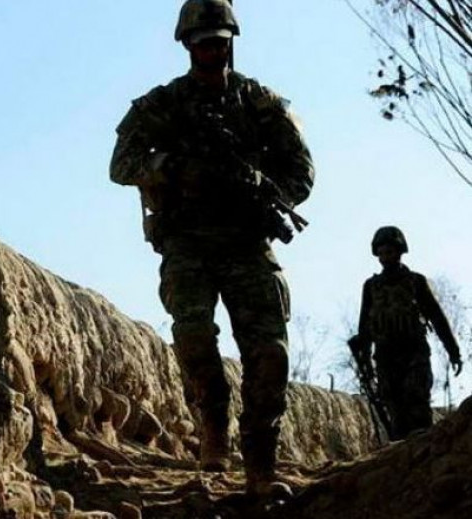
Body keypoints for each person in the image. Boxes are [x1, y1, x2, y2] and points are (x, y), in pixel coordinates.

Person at [109, 0, 314, 498]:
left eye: (219, 42)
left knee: (270, 352)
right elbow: (121, 164)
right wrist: (173, 168)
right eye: (203, 43)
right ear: (187, 45)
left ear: (231, 42)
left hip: (246, 242)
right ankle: (213, 420)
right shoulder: (162, 105)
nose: (212, 51)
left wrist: (263, 190)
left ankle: (260, 463)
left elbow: (301, 172)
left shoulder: (260, 104)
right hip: (187, 241)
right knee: (194, 334)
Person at [349, 226, 463, 441]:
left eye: (389, 252)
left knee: (417, 405)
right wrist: (364, 358)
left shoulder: (415, 282)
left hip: (414, 354)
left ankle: (425, 455)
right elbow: (365, 327)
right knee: (396, 414)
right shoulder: (371, 287)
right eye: (381, 253)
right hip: (385, 357)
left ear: (399, 252)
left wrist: (453, 351)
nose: (385, 258)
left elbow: (437, 318)